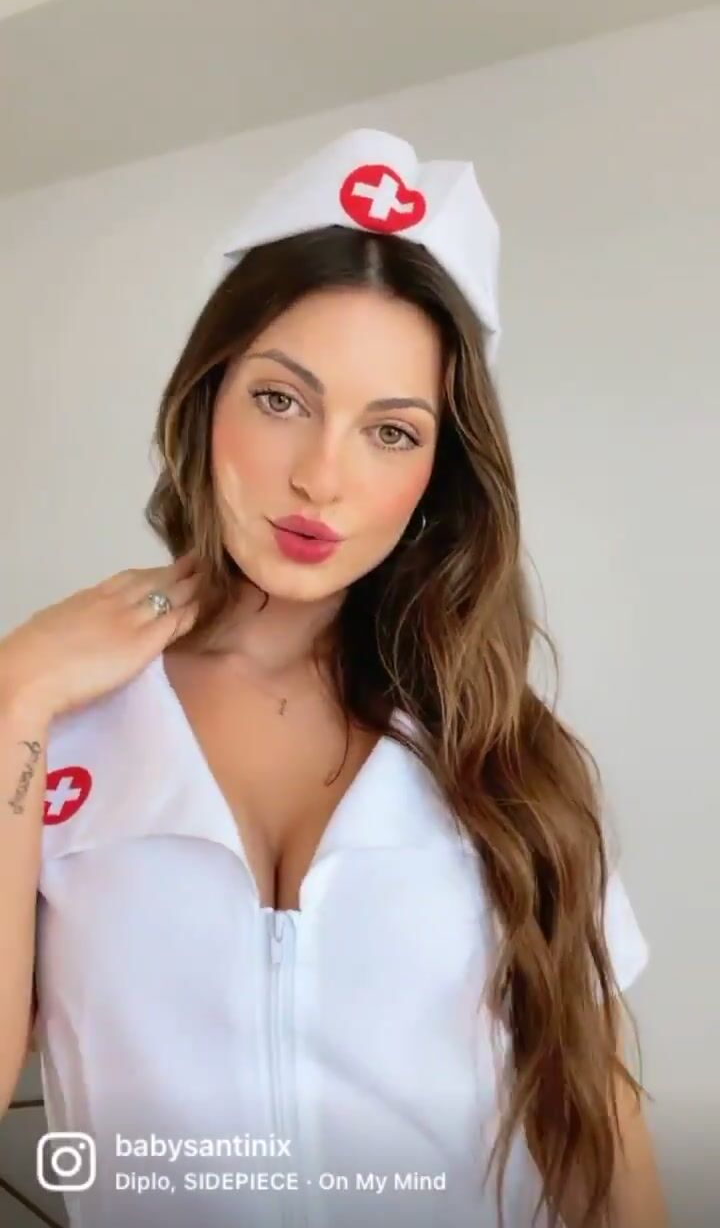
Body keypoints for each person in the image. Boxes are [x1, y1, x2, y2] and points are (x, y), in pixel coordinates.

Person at [0, 129, 666, 1228]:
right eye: (281, 400)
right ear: (207, 398)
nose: (322, 476)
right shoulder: (57, 731)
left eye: (390, 432)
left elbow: (597, 1120)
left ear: (438, 474)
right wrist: (15, 693)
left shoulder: (505, 752)